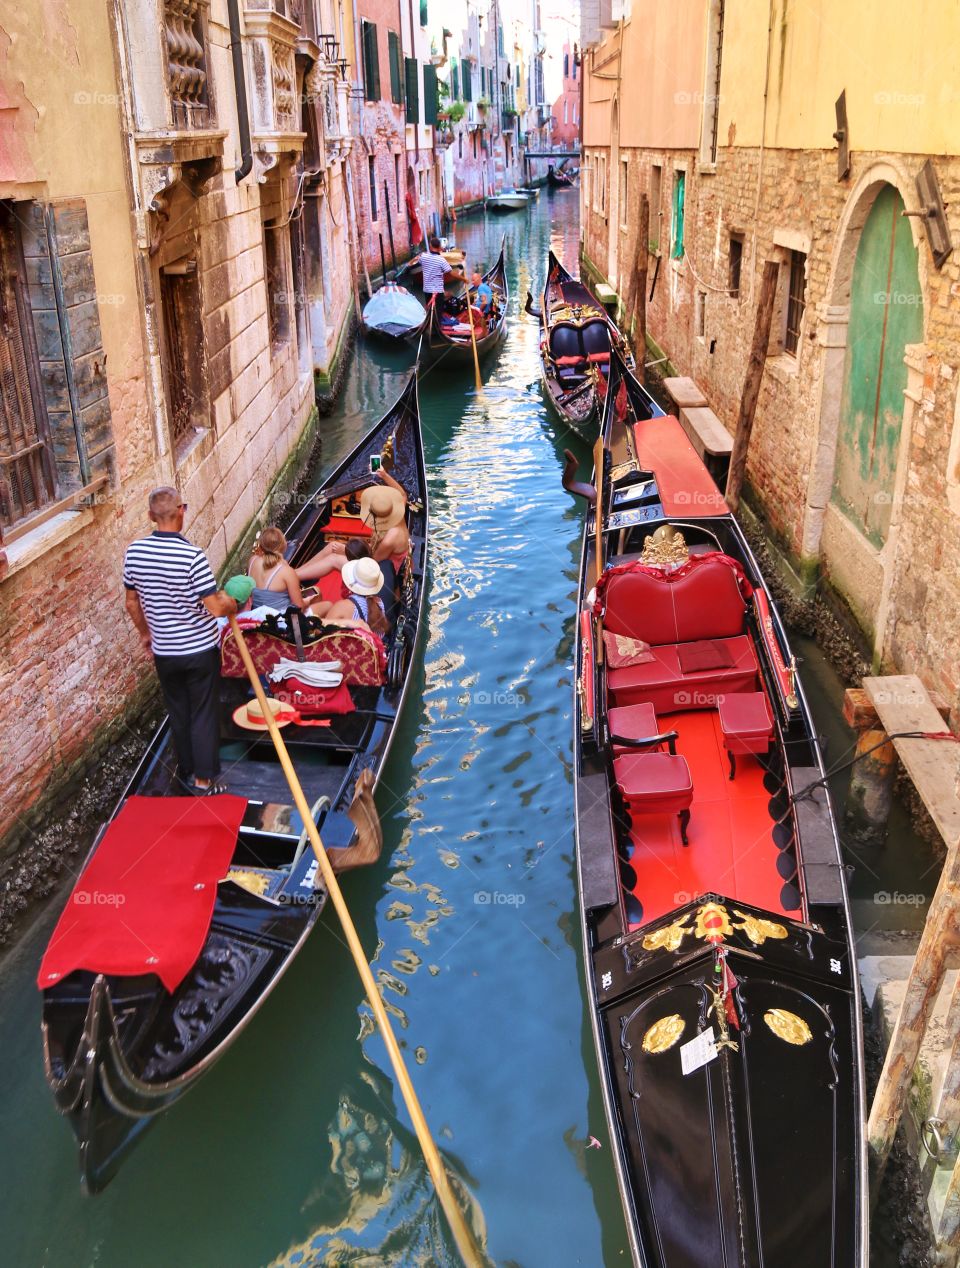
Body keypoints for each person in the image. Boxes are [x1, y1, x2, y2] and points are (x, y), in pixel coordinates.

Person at [123, 487, 237, 794]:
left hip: (165, 652)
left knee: (179, 711)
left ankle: (186, 771)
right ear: (181, 511)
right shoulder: (192, 556)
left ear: (151, 516)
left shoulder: (134, 553)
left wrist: (146, 634)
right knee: (203, 712)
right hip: (199, 650)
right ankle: (203, 779)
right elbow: (215, 607)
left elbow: (131, 603)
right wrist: (231, 604)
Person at [308, 557, 388, 636]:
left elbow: (322, 634)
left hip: (340, 643)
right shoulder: (379, 603)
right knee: (327, 605)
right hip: (368, 643)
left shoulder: (343, 606)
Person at [248, 526, 304, 610]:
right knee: (321, 598)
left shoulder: (252, 560)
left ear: (261, 546)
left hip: (257, 613)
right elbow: (299, 607)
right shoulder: (286, 571)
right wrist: (308, 601)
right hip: (280, 616)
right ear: (284, 545)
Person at [419, 235, 462, 315]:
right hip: (437, 292)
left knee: (430, 311)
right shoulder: (441, 260)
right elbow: (451, 273)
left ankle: (430, 320)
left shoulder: (423, 257)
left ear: (430, 246)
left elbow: (421, 260)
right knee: (438, 313)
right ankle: (436, 322)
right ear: (439, 247)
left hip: (427, 290)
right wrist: (464, 279)